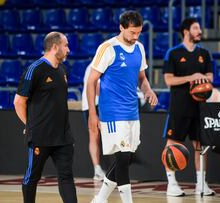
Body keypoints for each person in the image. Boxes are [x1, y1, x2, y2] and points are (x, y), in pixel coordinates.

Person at [87, 10, 157, 203]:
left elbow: (142, 78)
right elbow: (91, 81)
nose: (136, 36)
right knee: (123, 159)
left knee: (125, 158)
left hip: (132, 112)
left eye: (139, 32)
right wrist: (93, 114)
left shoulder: (140, 48)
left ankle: (100, 199)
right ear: (121, 27)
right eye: (132, 32)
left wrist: (148, 90)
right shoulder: (108, 48)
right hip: (112, 113)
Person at [13, 32, 77, 203]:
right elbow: (19, 101)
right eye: (66, 45)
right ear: (55, 47)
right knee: (32, 177)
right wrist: (29, 123)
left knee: (66, 177)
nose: (68, 50)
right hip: (40, 136)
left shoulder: (63, 70)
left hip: (63, 137)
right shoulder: (35, 69)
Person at [162, 18, 215, 197]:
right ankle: (172, 184)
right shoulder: (173, 53)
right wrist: (191, 77)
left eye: (199, 28)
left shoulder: (205, 53)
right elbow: (168, 80)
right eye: (195, 28)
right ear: (186, 31)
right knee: (172, 144)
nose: (199, 31)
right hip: (179, 107)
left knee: (201, 145)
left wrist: (203, 79)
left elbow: (210, 78)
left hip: (200, 107)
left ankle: (201, 183)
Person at [82, 64, 106, 181]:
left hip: (104, 104)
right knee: (94, 136)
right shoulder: (94, 65)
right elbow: (96, 89)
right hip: (92, 105)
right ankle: (97, 170)